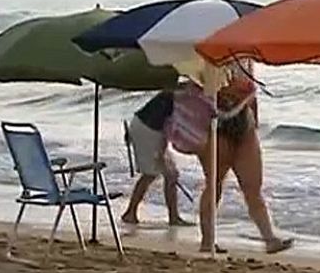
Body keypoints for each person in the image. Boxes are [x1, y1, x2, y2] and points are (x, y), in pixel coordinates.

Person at [193, 61, 293, 254]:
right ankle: (207, 241)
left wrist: (255, 122)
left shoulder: (246, 56)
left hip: (244, 123)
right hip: (217, 124)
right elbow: (201, 87)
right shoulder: (209, 55)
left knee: (253, 187)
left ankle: (269, 238)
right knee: (214, 185)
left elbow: (251, 94)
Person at [121, 90, 193, 227]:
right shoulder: (182, 99)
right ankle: (131, 213)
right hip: (148, 130)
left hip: (143, 126)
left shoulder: (182, 94)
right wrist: (161, 153)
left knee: (167, 173)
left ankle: (133, 212)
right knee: (159, 174)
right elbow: (167, 125)